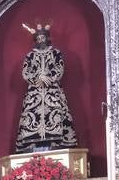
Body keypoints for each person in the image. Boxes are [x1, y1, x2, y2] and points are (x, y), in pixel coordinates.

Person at [14, 23, 78, 152]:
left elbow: (59, 68)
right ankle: (32, 145)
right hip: (35, 92)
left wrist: (49, 77)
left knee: (57, 114)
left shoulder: (56, 53)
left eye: (43, 37)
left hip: (53, 90)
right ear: (36, 40)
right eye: (38, 38)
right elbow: (25, 72)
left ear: (47, 38)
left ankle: (56, 143)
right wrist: (39, 78)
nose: (41, 40)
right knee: (30, 116)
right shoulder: (30, 55)